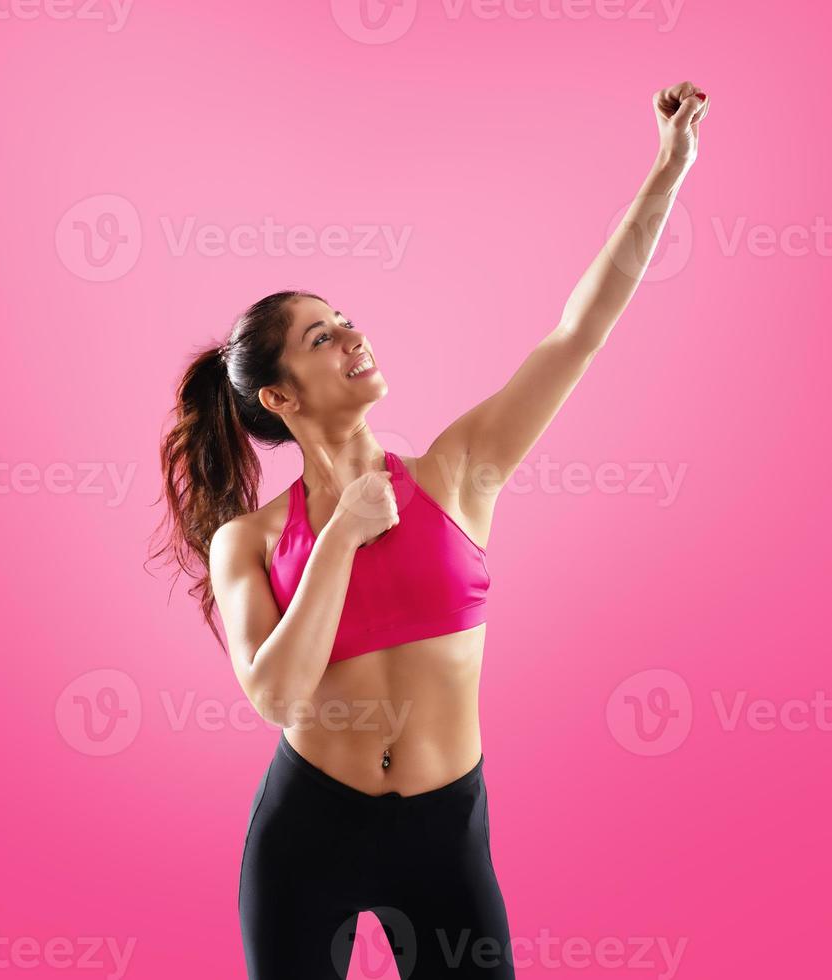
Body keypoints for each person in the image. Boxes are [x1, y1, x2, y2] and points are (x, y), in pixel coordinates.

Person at [150, 80, 709, 979]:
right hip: (307, 831)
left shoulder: (456, 473)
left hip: (443, 828)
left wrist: (668, 171)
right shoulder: (247, 543)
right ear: (280, 397)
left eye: (346, 322)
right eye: (321, 337)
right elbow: (282, 696)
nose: (351, 337)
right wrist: (339, 536)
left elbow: (577, 333)